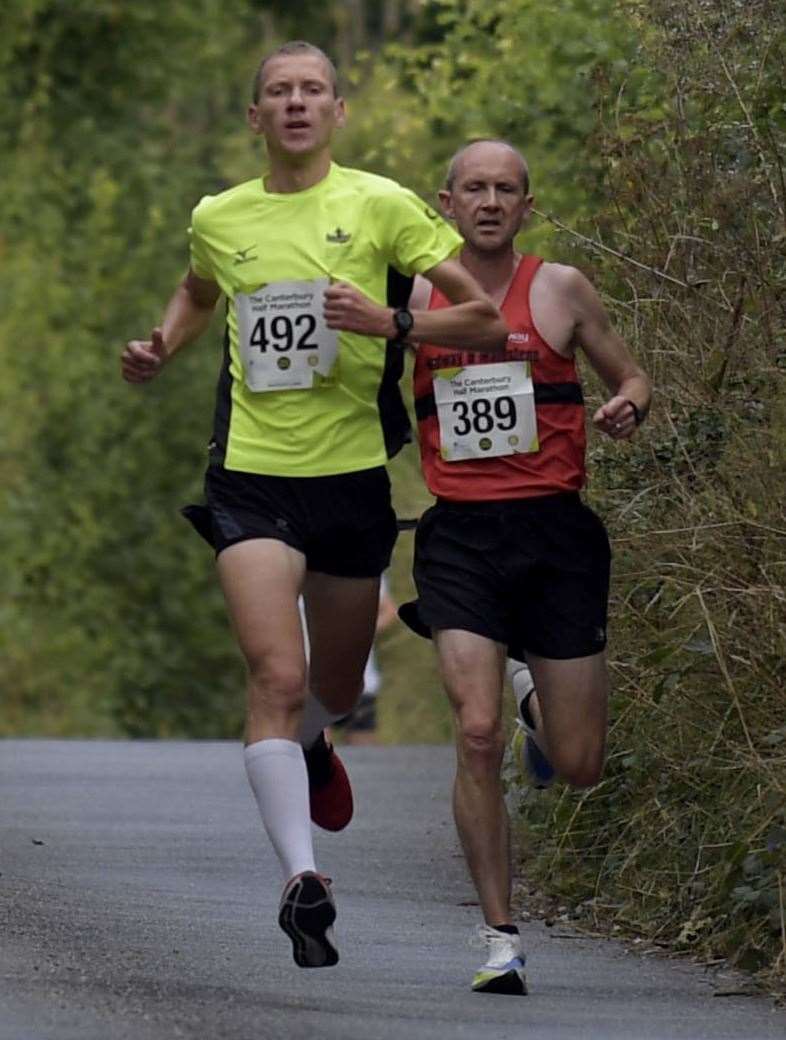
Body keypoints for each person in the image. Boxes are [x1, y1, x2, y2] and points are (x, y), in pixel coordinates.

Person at [120, 43, 508, 970]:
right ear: (255, 117)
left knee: (329, 689)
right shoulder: (220, 215)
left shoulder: (380, 206)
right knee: (274, 676)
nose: (295, 104)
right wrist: (164, 345)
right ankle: (303, 881)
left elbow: (483, 316)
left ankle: (316, 744)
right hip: (249, 476)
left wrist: (394, 322)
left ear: (338, 109)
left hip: (348, 483)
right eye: (277, 93)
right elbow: (199, 288)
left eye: (311, 91)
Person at [398, 139, 652, 994]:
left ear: (528, 206)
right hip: (461, 538)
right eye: (475, 188)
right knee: (473, 735)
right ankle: (500, 937)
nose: (491, 201)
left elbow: (634, 376)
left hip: (556, 539)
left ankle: (529, 692)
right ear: (446, 202)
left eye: (507, 189)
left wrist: (627, 404)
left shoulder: (561, 288)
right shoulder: (416, 295)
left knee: (579, 764)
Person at [331, 574, 397, 744]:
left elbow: (389, 611)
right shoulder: (297, 558)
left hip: (361, 683)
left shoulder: (362, 557)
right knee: (314, 759)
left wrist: (356, 631)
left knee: (365, 756)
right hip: (310, 682)